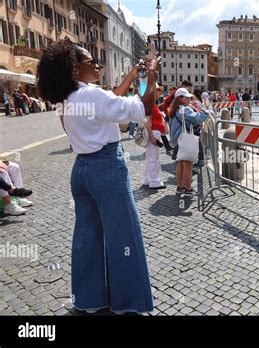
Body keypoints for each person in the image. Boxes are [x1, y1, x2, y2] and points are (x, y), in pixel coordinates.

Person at [37, 39, 158, 314]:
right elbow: (144, 108)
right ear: (76, 68)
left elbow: (112, 98)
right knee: (123, 235)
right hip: (105, 167)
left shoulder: (66, 101)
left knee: (86, 236)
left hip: (81, 169)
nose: (97, 65)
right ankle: (128, 304)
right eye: (91, 61)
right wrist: (151, 74)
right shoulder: (91, 95)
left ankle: (89, 300)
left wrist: (130, 77)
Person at [169, 88, 210, 196]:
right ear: (181, 98)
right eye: (187, 97)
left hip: (178, 140)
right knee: (188, 165)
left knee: (180, 164)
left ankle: (180, 187)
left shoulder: (174, 109)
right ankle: (188, 189)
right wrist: (206, 108)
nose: (189, 99)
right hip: (185, 139)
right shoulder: (185, 109)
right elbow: (197, 118)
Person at [143, 83, 168, 190]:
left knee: (150, 158)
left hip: (154, 132)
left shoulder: (151, 103)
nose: (160, 92)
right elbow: (147, 121)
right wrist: (152, 136)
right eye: (158, 90)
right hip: (154, 132)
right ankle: (154, 181)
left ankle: (148, 179)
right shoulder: (150, 104)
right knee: (154, 158)